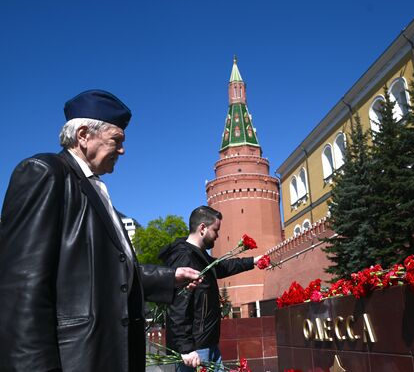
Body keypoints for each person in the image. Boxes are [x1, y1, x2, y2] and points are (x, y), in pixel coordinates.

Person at [0, 89, 201, 372]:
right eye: (116, 140)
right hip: (76, 359)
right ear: (83, 135)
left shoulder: (94, 187)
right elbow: (22, 287)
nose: (122, 150)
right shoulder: (45, 172)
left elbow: (105, 270)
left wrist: (169, 278)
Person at [158, 206, 262, 371]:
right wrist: (186, 348)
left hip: (208, 343)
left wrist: (253, 261)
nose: (218, 235)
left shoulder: (199, 255)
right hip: (196, 349)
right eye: (215, 230)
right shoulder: (184, 256)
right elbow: (177, 306)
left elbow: (221, 266)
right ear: (202, 228)